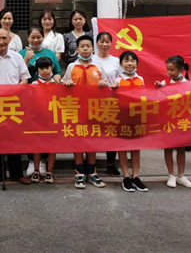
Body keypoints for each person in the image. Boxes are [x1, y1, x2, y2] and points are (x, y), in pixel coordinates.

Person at [0, 29, 31, 185]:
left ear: (9, 40)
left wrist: (14, 91)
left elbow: (25, 79)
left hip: (12, 104)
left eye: (4, 38)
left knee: (14, 139)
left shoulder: (17, 57)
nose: (1, 41)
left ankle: (17, 173)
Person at [62, 35, 108, 190]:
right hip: (76, 110)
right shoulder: (71, 67)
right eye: (82, 46)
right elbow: (62, 85)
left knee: (92, 141)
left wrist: (104, 83)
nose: (85, 49)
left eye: (88, 46)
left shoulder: (98, 67)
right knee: (78, 141)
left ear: (93, 49)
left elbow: (107, 85)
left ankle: (92, 171)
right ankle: (79, 172)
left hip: (94, 110)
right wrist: (66, 83)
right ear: (77, 49)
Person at [19, 25, 62, 177]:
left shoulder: (49, 53)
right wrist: (26, 59)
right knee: (32, 133)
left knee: (48, 134)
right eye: (33, 37)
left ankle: (44, 163)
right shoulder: (21, 53)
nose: (36, 40)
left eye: (38, 37)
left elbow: (57, 72)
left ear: (43, 37)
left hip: (49, 103)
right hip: (30, 100)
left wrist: (57, 79)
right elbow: (17, 73)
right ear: (28, 38)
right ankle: (33, 161)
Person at [154, 55, 191, 189]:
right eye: (168, 70)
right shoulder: (164, 82)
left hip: (182, 121)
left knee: (181, 149)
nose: (170, 72)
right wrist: (158, 87)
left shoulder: (188, 84)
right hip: (168, 121)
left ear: (181, 69)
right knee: (168, 148)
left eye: (172, 70)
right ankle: (171, 174)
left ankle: (181, 175)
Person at [114, 51, 148, 192]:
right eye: (126, 61)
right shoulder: (117, 81)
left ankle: (136, 176)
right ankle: (126, 177)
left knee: (136, 147)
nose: (130, 63)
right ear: (121, 64)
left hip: (137, 117)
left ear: (137, 63)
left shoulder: (140, 79)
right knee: (122, 147)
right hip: (122, 117)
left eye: (132, 60)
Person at [91, 31, 121, 176]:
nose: (104, 44)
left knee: (111, 132)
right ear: (96, 43)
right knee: (92, 132)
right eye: (101, 41)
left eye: (107, 41)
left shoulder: (116, 61)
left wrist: (116, 84)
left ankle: (110, 163)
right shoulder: (91, 59)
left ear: (111, 43)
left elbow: (121, 77)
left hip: (111, 101)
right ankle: (91, 164)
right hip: (93, 101)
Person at [29, 57, 57, 183]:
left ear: (52, 67)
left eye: (47, 67)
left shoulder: (57, 84)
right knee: (37, 146)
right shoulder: (34, 85)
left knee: (53, 146)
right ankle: (36, 170)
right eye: (42, 68)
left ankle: (50, 171)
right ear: (37, 70)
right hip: (38, 120)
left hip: (54, 119)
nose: (45, 71)